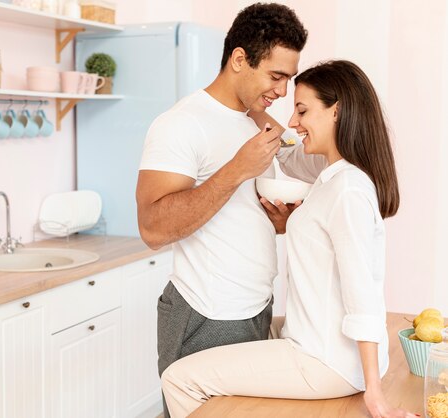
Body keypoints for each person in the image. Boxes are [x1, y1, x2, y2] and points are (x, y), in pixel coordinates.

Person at [161, 60, 419, 418]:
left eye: (302, 110)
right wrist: (249, 101)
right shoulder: (335, 175)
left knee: (178, 377)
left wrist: (375, 394)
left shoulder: (347, 189)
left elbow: (363, 297)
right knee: (252, 328)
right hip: (321, 345)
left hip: (325, 360)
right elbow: (287, 152)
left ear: (337, 111)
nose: (293, 123)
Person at [136, 3, 308, 416]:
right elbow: (153, 228)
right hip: (206, 315)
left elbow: (238, 214)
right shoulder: (180, 124)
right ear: (239, 59)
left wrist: (279, 224)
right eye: (276, 76)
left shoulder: (258, 120)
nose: (283, 91)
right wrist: (236, 170)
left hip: (256, 306)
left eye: (289, 78)